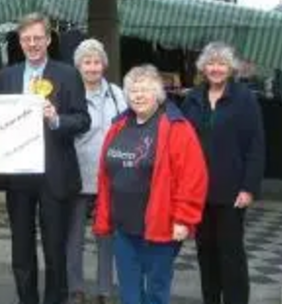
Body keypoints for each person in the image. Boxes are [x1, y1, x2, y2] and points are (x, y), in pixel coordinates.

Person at [0, 12, 91, 304]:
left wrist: (57, 119)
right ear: (19, 41)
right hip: (17, 174)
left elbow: (83, 120)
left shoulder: (67, 74)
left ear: (48, 39)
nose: (32, 44)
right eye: (26, 39)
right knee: (21, 249)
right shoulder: (7, 76)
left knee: (54, 249)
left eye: (38, 38)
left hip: (54, 174)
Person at [94, 64, 208, 304]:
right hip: (123, 227)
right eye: (133, 90)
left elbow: (193, 177)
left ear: (158, 93)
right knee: (129, 292)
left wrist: (184, 219)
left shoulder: (177, 127)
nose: (139, 95)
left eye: (145, 89)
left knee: (156, 291)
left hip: (160, 227)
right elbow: (105, 175)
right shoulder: (118, 126)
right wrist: (104, 217)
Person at [181, 42, 265, 304]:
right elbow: (181, 142)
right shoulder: (193, 98)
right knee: (205, 253)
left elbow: (256, 145)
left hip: (232, 192)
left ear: (230, 68)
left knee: (231, 254)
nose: (215, 68)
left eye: (221, 64)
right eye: (211, 63)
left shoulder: (245, 99)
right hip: (198, 192)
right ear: (203, 67)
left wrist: (249, 187)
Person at [67, 39, 126, 304]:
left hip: (109, 178)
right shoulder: (70, 92)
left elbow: (128, 128)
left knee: (106, 236)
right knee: (74, 237)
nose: (92, 67)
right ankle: (76, 287)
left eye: (96, 61)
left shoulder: (116, 92)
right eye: (86, 62)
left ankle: (104, 290)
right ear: (78, 66)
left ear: (104, 64)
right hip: (77, 175)